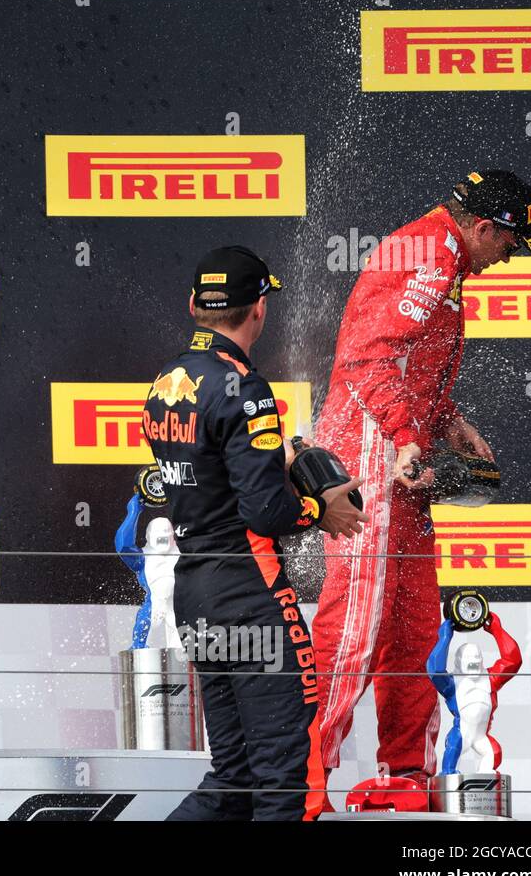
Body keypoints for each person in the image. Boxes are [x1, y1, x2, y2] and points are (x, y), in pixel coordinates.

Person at [313, 171, 531, 782]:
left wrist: (447, 422)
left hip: (398, 443)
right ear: (482, 227)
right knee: (357, 624)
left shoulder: (443, 258)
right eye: (511, 242)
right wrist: (406, 434)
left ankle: (406, 781)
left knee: (414, 622)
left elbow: (405, 355)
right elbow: (367, 357)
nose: (510, 256)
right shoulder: (428, 254)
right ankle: (298, 785)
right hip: (370, 440)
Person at [144, 246, 365, 820]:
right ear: (259, 310)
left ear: (194, 304)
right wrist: (323, 511)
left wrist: (280, 458)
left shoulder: (165, 380)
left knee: (235, 776)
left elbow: (212, 477)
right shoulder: (247, 388)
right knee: (283, 778)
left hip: (196, 595)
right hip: (251, 596)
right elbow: (266, 513)